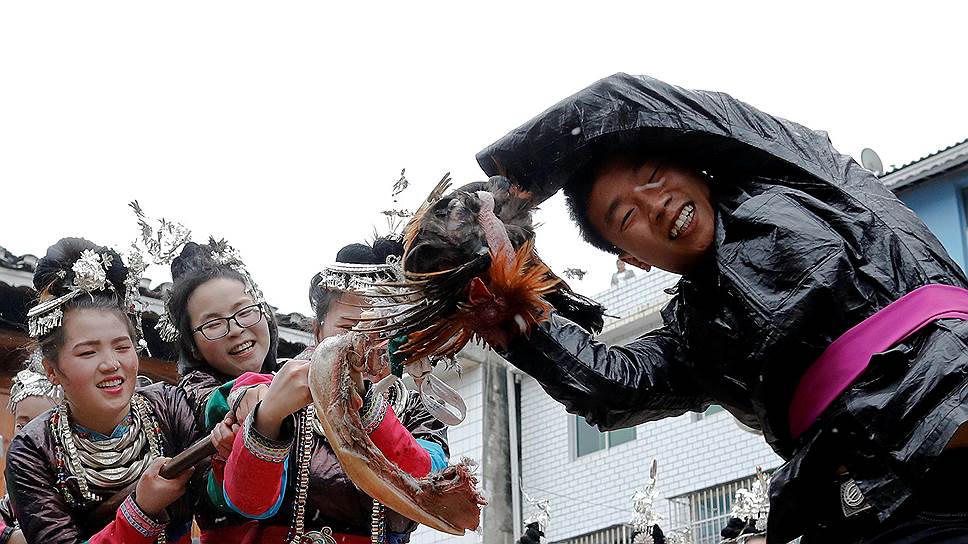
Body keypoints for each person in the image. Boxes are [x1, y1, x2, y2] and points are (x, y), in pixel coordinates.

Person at [466, 73, 968, 541]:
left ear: (695, 166)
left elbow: (626, 101)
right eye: (626, 216)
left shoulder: (805, 177)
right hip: (870, 515)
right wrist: (513, 310)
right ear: (632, 259)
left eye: (654, 176)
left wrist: (512, 180)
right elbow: (608, 386)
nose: (655, 204)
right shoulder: (693, 335)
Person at [209, 237, 450, 543]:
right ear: (317, 331)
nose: (364, 344)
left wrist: (365, 405)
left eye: (383, 331)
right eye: (348, 329)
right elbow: (249, 501)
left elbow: (427, 487)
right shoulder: (273, 392)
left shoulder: (419, 411)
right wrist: (267, 417)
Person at [4, 238, 200, 544]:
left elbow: (223, 499)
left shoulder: (169, 406)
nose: (111, 364)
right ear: (52, 370)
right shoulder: (33, 450)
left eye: (122, 347)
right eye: (87, 353)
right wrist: (141, 511)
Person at [0, 358, 61, 544]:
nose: (29, 435)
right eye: (22, 425)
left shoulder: (75, 482)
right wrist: (9, 536)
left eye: (42, 425)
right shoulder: (17, 475)